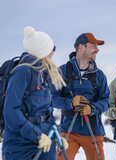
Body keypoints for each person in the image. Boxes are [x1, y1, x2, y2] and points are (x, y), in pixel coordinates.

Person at [2, 26, 68, 160]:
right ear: (44, 51)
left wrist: (56, 135)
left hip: (45, 143)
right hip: (20, 147)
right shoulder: (23, 72)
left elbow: (47, 112)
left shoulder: (44, 74)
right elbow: (10, 112)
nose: (53, 51)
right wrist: (37, 135)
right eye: (52, 48)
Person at [52, 33, 110, 160]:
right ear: (81, 47)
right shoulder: (62, 72)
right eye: (93, 46)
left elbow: (106, 101)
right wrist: (70, 103)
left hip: (93, 131)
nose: (97, 49)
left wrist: (92, 108)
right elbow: (52, 98)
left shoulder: (99, 75)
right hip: (68, 131)